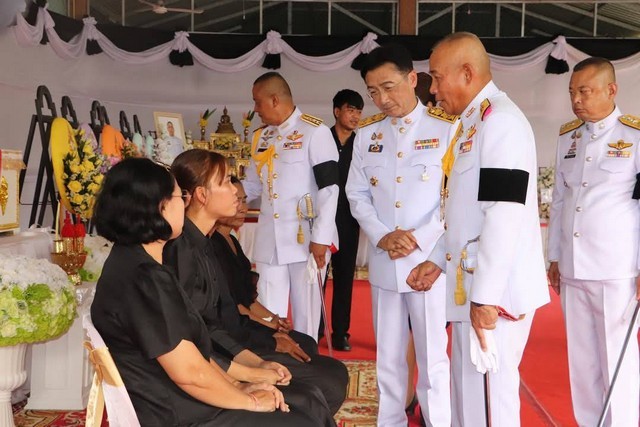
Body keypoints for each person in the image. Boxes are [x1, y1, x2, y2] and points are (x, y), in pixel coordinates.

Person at [91, 157, 317, 426]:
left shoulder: (135, 263)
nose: (185, 204)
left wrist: (238, 386)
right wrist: (250, 401)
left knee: (305, 403)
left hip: (177, 398)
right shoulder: (144, 278)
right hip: (174, 411)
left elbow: (191, 354)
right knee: (302, 416)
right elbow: (189, 372)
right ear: (159, 207)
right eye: (180, 197)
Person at [407, 32, 549, 426]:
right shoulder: (470, 124)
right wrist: (437, 259)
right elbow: (464, 211)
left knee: (489, 409)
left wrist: (486, 297)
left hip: (493, 295)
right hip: (470, 285)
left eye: (437, 78)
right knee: (468, 404)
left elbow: (503, 213)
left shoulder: (500, 122)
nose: (432, 90)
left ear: (467, 74)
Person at [165, 149, 347, 421]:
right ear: (201, 195)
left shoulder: (202, 244)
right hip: (209, 370)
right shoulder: (182, 250)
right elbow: (198, 335)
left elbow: (222, 317)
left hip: (228, 353)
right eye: (225, 182)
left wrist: (256, 362)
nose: (236, 192)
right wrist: (248, 373)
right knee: (315, 395)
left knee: (325, 379)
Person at [346, 44, 454, 427]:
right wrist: (382, 235)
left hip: (428, 262)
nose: (382, 99)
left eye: (389, 87)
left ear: (412, 79)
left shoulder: (447, 128)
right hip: (384, 262)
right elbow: (356, 193)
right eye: (373, 92)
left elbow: (453, 196)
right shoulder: (367, 134)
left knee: (432, 359)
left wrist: (418, 238)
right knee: (388, 360)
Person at [547, 57, 640, 427]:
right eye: (572, 92)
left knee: (617, 359)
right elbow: (559, 200)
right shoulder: (567, 138)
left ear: (611, 90)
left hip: (616, 269)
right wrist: (555, 257)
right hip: (573, 267)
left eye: (584, 91)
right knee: (582, 363)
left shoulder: (634, 136)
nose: (576, 100)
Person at [243, 72, 340, 340]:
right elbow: (252, 186)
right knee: (268, 315)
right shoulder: (261, 137)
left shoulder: (315, 131)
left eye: (258, 102)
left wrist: (321, 238)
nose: (255, 109)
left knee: (306, 318)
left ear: (275, 100)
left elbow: (329, 189)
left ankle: (308, 361)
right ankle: (275, 361)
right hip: (270, 241)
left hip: (305, 240)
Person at [213, 176, 319, 357]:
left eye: (244, 200)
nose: (243, 208)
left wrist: (274, 319)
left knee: (307, 342)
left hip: (246, 321)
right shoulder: (212, 244)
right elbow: (233, 306)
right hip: (234, 329)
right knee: (303, 346)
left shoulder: (231, 240)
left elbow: (247, 299)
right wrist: (270, 326)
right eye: (236, 201)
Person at [324, 89, 363, 351]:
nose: (355, 116)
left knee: (344, 277)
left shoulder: (362, 144)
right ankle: (315, 327)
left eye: (359, 111)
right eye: (350, 110)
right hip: (322, 219)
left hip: (349, 219)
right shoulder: (321, 140)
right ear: (337, 111)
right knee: (317, 276)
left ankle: (340, 332)